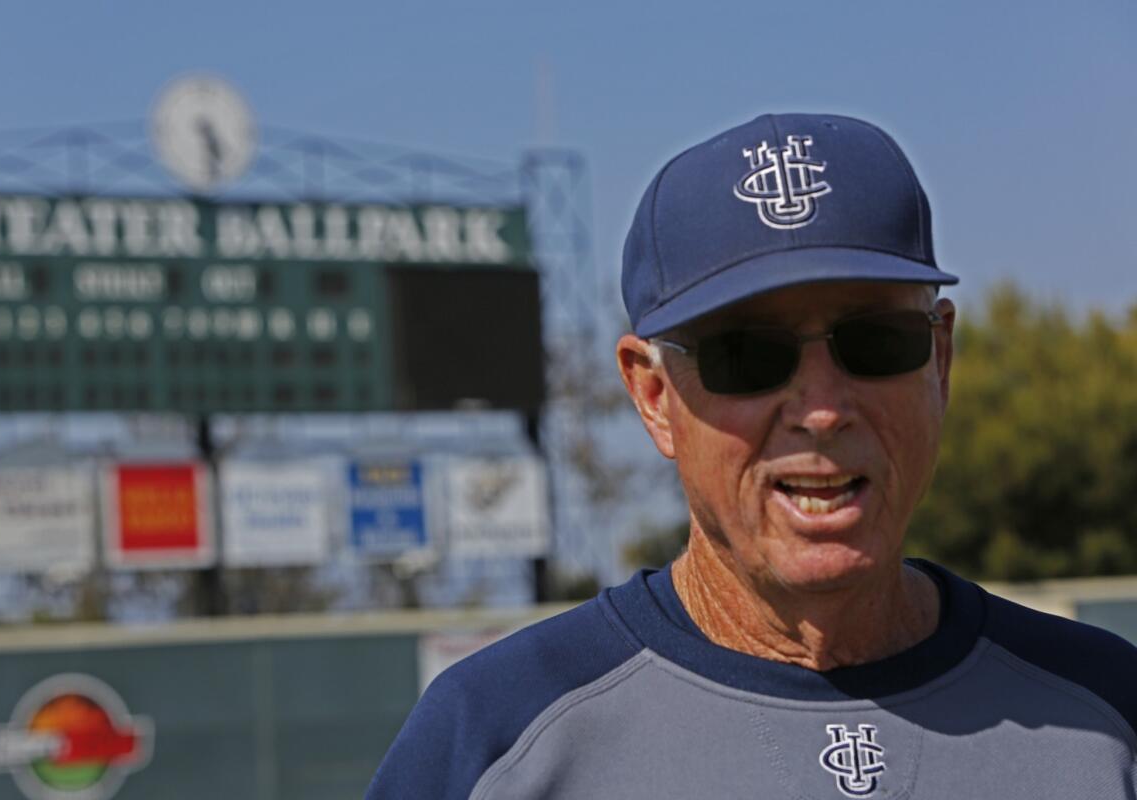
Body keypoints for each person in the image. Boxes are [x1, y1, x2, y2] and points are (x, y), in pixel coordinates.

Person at [367, 112, 1137, 798]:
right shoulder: (497, 736)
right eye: (746, 356)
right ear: (654, 397)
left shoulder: (1109, 712)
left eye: (874, 341)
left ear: (939, 358)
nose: (823, 409)